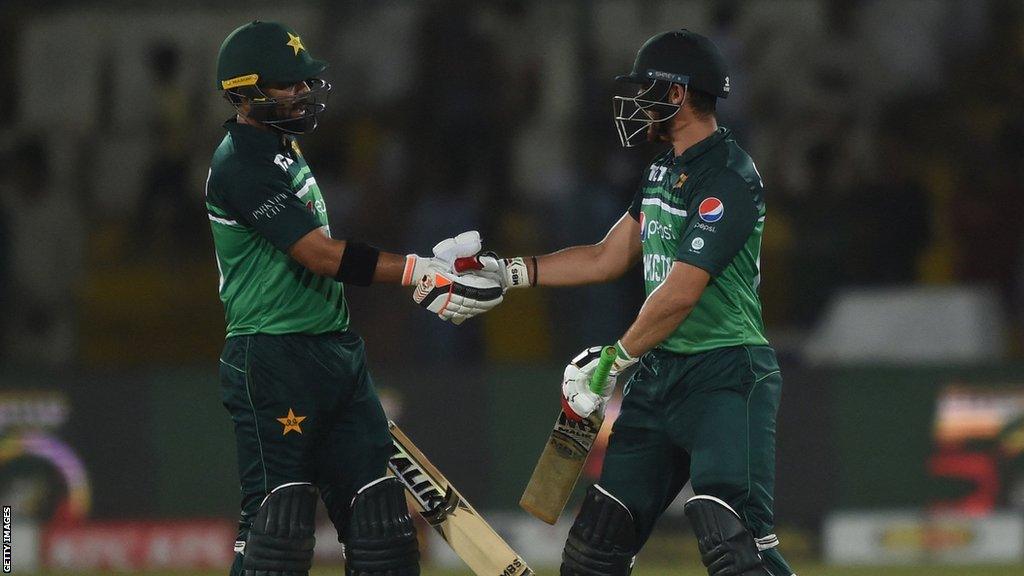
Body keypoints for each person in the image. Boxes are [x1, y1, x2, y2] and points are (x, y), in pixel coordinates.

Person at [460, 29, 796, 576]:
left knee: (732, 541)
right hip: (660, 376)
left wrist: (612, 361)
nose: (634, 104)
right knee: (597, 545)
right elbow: (604, 257)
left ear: (677, 95)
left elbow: (682, 292)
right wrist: (511, 271)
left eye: (646, 90)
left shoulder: (728, 176)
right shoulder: (664, 168)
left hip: (726, 373)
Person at [205, 21, 503, 576]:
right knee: (280, 526)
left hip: (334, 351)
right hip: (273, 358)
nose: (302, 93)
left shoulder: (281, 150)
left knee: (382, 524)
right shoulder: (241, 163)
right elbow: (319, 255)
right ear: (245, 92)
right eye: (288, 84)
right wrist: (419, 270)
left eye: (303, 83)